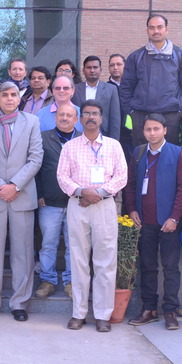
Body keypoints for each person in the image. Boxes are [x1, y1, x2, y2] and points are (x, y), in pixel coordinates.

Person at [0, 83, 43, 322]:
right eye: (5, 95)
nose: (10, 98)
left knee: (23, 252)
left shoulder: (31, 122)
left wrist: (15, 185)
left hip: (21, 196)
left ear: (19, 97)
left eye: (14, 94)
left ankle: (19, 303)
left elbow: (36, 158)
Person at [57, 99, 128, 333]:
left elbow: (121, 176)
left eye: (95, 113)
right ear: (80, 119)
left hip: (104, 206)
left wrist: (98, 193)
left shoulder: (114, 146)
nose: (90, 117)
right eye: (86, 113)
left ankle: (102, 315)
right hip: (78, 205)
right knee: (78, 260)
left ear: (101, 118)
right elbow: (62, 177)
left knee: (105, 261)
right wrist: (82, 191)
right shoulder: (70, 147)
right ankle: (78, 313)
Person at [125, 114, 182, 330]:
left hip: (168, 222)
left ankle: (170, 311)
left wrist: (175, 217)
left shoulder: (177, 153)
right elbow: (131, 184)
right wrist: (132, 209)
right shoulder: (138, 153)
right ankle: (149, 309)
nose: (152, 133)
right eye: (148, 129)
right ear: (143, 132)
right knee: (147, 267)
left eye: (156, 129)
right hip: (144, 221)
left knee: (171, 267)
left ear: (165, 130)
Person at [119, 14, 182, 146]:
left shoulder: (181, 56)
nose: (156, 31)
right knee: (141, 155)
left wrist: (180, 111)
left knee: (168, 155)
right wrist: (132, 112)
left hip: (170, 116)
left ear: (166, 29)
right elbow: (126, 87)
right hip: (141, 116)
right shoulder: (136, 57)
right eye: (152, 28)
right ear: (147, 30)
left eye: (159, 27)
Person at [34, 102, 81, 300]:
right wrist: (39, 194)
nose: (64, 118)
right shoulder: (43, 138)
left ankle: (71, 281)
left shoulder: (82, 140)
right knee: (48, 244)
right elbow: (35, 167)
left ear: (76, 119)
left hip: (76, 203)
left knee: (74, 245)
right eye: (61, 115)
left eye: (69, 115)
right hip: (49, 203)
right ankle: (48, 281)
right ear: (55, 117)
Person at [72, 56, 121, 139]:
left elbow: (115, 118)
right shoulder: (75, 89)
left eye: (95, 67)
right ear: (83, 70)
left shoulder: (111, 89)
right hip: (78, 135)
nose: (92, 70)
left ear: (100, 70)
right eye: (89, 67)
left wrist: (114, 140)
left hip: (103, 135)